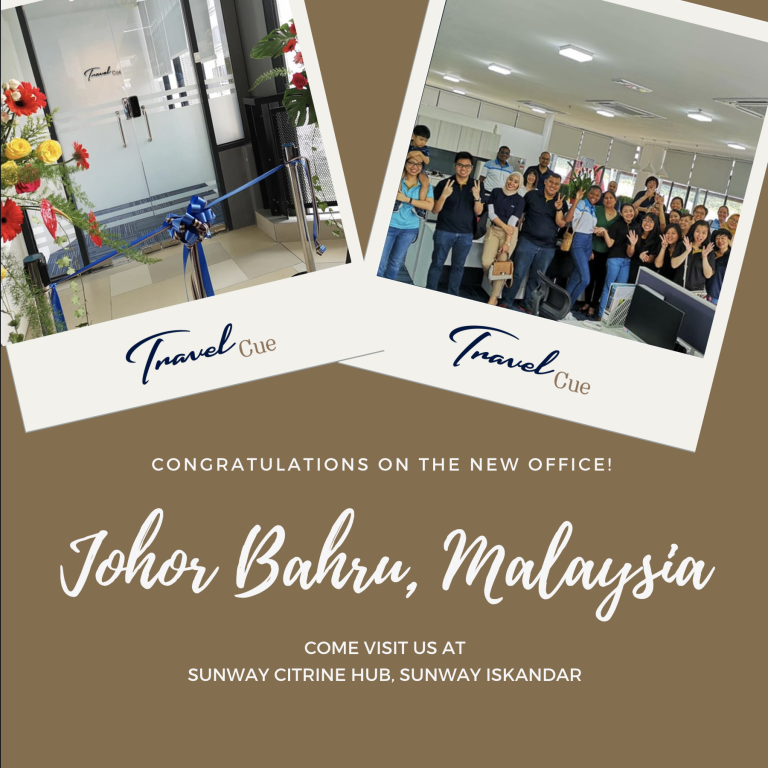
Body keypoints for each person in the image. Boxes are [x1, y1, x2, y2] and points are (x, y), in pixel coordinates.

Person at [500, 173, 573, 312]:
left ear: (559, 186)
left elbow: (561, 223)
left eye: (557, 184)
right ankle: (506, 301)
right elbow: (519, 215)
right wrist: (513, 235)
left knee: (536, 278)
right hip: (527, 241)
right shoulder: (532, 195)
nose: (553, 186)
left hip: (548, 247)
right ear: (545, 182)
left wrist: (558, 208)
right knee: (517, 273)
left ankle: (527, 304)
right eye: (551, 182)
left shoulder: (561, 202)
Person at [426, 151, 484, 296]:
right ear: (455, 165)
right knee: (437, 264)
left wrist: (477, 197)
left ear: (471, 168)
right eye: (460, 165)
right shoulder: (443, 184)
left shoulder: (476, 185)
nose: (463, 168)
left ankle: (453, 295)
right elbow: (435, 210)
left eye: (467, 166)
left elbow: (479, 212)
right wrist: (444, 196)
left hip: (465, 234)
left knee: (458, 267)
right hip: (444, 231)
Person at [377, 152, 434, 280]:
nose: (415, 166)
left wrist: (406, 199)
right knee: (379, 262)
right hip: (389, 225)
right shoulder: (396, 179)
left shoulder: (425, 185)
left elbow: (429, 206)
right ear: (405, 163)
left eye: (419, 164)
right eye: (411, 162)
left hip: (410, 229)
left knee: (395, 263)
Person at [481, 171, 526, 305]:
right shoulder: (496, 192)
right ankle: (494, 281)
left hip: (510, 235)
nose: (511, 183)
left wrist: (507, 242)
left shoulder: (520, 200)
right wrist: (504, 226)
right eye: (510, 179)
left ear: (519, 185)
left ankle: (493, 298)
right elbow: (491, 214)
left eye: (516, 182)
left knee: (501, 265)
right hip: (494, 230)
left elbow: (512, 223)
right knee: (486, 262)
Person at [579, 189, 619, 316]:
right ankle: (586, 302)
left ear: (615, 200)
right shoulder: (596, 209)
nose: (608, 200)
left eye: (611, 198)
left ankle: (593, 305)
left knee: (601, 280)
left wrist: (605, 231)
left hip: (607, 252)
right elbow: (588, 226)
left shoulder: (618, 217)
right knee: (589, 277)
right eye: (606, 197)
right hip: (593, 248)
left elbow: (616, 234)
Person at [597, 203, 638, 319]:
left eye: (631, 211)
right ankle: (601, 315)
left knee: (620, 290)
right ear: (621, 213)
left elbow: (631, 252)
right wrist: (605, 232)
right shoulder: (616, 225)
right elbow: (610, 244)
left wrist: (633, 244)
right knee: (608, 287)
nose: (628, 213)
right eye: (625, 211)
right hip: (614, 259)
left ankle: (612, 317)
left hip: (627, 261)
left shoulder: (636, 227)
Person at [565, 185, 600, 310]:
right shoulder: (581, 204)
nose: (594, 197)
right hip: (579, 241)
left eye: (597, 195)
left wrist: (590, 248)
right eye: (592, 194)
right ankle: (567, 308)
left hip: (588, 243)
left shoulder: (593, 208)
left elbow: (589, 228)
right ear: (587, 193)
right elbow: (568, 219)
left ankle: (562, 308)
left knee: (575, 278)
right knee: (585, 280)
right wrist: (576, 200)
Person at [671, 221, 714, 292]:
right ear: (693, 231)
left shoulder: (709, 250)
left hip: (696, 292)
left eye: (704, 233)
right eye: (698, 231)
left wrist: (704, 257)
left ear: (707, 234)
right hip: (678, 287)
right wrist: (687, 251)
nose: (700, 235)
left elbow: (708, 275)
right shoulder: (683, 245)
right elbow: (674, 265)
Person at [405, 125, 432, 215]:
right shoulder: (407, 144)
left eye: (425, 140)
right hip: (406, 167)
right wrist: (412, 154)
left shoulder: (424, 149)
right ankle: (396, 202)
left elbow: (427, 161)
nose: (423, 142)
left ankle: (419, 207)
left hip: (420, 170)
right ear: (413, 136)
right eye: (421, 139)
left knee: (425, 183)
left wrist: (420, 153)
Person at [627, 213, 661, 282]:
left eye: (651, 221)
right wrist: (632, 244)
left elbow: (651, 259)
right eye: (645, 220)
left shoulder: (657, 238)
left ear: (655, 224)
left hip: (646, 269)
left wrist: (644, 257)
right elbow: (629, 254)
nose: (647, 223)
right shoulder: (634, 232)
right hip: (633, 265)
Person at [706, 228, 732, 304]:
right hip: (702, 292)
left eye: (723, 238)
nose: (720, 241)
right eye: (717, 238)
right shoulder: (711, 253)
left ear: (729, 240)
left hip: (716, 296)